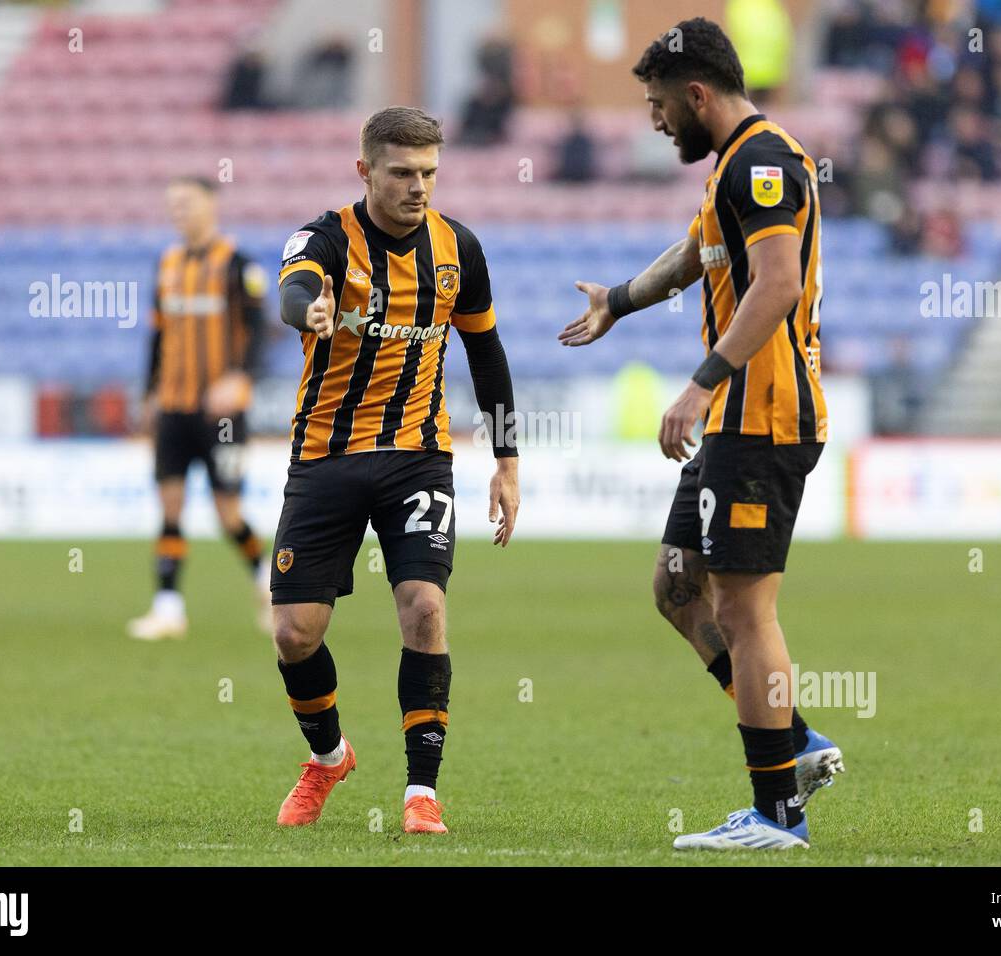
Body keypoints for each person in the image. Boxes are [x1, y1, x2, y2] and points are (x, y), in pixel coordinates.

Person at [560, 18, 841, 850]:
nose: (653, 121)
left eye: (656, 104)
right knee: (677, 587)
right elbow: (696, 258)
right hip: (736, 422)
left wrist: (700, 384)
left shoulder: (761, 163)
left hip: (761, 417)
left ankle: (777, 814)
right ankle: (793, 743)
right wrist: (620, 298)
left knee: (746, 612)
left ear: (696, 94)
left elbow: (780, 283)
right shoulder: (733, 168)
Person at [270, 106, 520, 834]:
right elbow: (292, 287)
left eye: (430, 173)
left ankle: (421, 793)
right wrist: (305, 313)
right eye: (403, 173)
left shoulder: (458, 249)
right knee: (294, 634)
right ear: (365, 172)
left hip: (418, 457)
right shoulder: (324, 237)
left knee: (425, 608)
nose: (419, 187)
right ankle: (327, 758)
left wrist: (507, 459)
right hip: (326, 456)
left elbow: (487, 355)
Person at [128, 177, 271, 640]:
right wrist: (149, 393)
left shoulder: (238, 265)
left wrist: (240, 377)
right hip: (173, 405)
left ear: (211, 205)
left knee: (227, 512)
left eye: (187, 202)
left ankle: (266, 577)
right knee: (169, 505)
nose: (179, 211)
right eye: (172, 204)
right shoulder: (167, 264)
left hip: (222, 413)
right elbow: (157, 335)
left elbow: (259, 330)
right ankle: (168, 607)